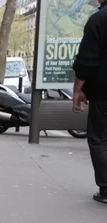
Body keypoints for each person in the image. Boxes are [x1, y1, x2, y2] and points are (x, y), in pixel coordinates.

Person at [73, 0, 107, 203]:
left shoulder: (99, 19)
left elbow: (86, 60)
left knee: (100, 139)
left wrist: (78, 89)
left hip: (103, 93)